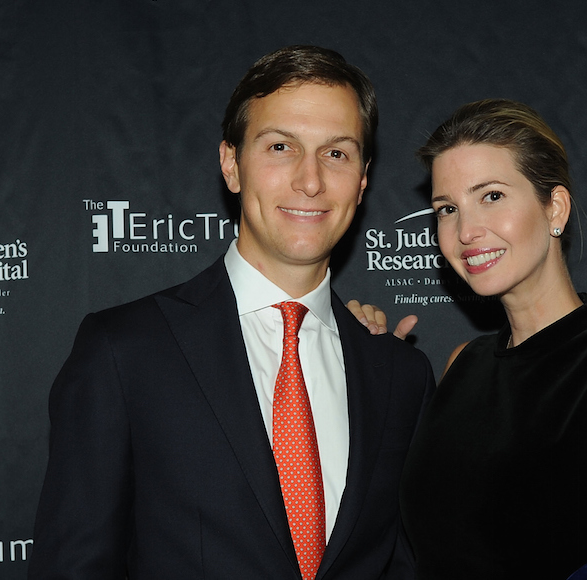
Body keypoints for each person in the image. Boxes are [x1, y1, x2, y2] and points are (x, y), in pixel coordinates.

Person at [28, 45, 434, 580]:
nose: (309, 180)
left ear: (362, 181)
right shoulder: (124, 351)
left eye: (337, 153)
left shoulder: (400, 376)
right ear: (231, 164)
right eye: (281, 146)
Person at [357, 99, 587, 579]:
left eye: (493, 196)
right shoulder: (463, 364)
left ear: (555, 208)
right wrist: (364, 363)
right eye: (447, 209)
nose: (465, 230)